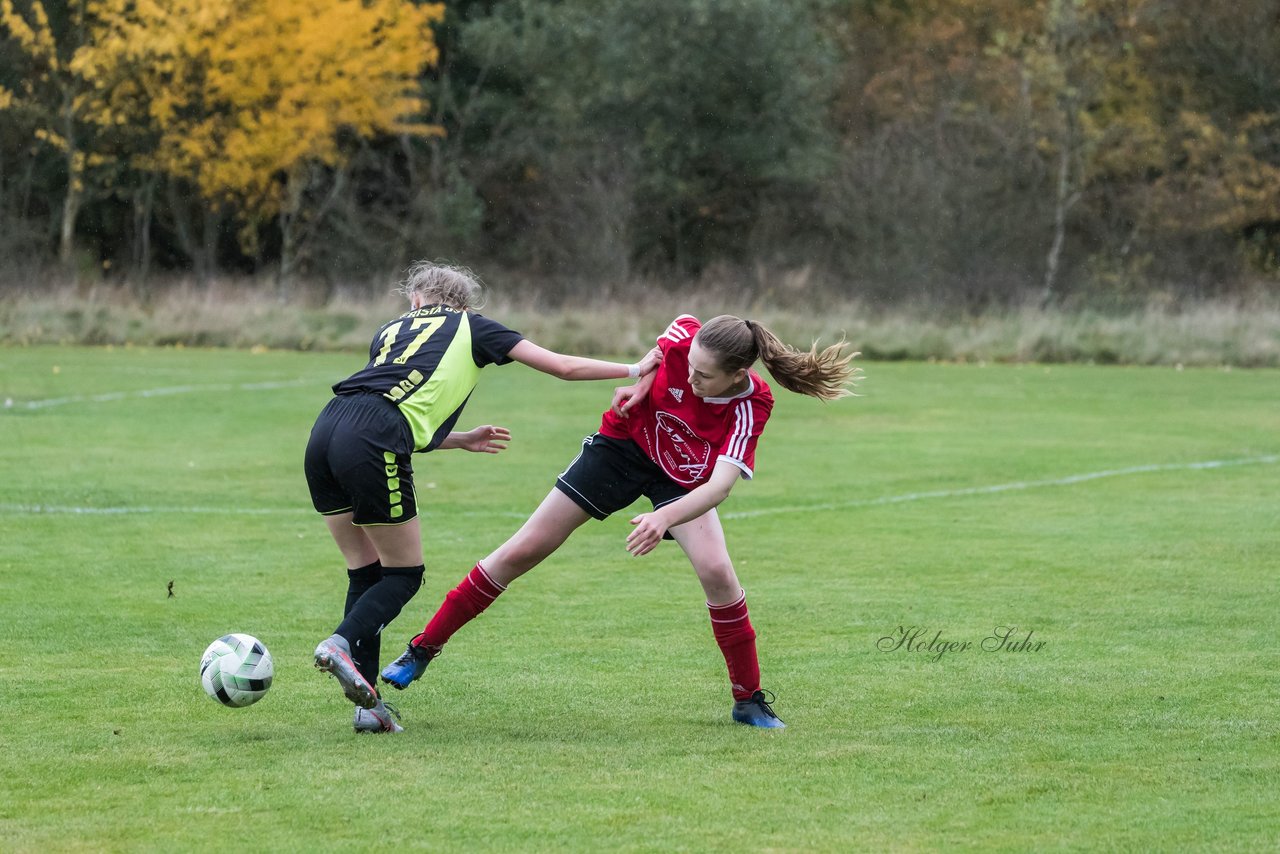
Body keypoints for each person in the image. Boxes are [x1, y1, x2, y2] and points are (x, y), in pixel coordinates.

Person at [380, 313, 859, 728]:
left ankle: (748, 698)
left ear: (738, 376)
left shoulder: (752, 403)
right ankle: (422, 649)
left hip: (684, 483)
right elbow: (660, 354)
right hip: (621, 451)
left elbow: (720, 486)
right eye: (690, 367)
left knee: (718, 573)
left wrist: (662, 518)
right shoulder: (686, 334)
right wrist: (641, 384)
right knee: (523, 549)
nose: (691, 380)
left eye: (705, 378)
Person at [305, 262, 661, 733]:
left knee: (365, 570)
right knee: (404, 574)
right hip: (372, 437)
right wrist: (639, 367)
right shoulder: (472, 326)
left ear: (414, 300)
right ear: (465, 304)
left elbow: (394, 409)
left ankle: (369, 709)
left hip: (325, 429)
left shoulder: (389, 330)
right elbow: (562, 366)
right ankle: (340, 644)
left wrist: (461, 438)